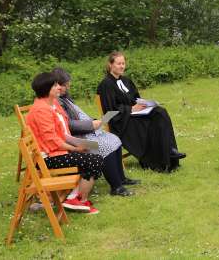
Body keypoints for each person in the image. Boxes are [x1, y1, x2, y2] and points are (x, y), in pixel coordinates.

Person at [52, 68, 139, 197]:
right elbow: (67, 124)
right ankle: (116, 186)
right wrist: (91, 125)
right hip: (77, 137)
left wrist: (94, 122)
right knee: (104, 145)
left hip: (86, 131)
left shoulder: (64, 98)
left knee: (114, 139)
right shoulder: (56, 101)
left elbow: (77, 116)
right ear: (56, 84)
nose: (67, 87)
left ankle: (121, 178)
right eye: (65, 85)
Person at [96, 52, 186, 173]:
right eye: (118, 63)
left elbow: (135, 98)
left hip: (134, 115)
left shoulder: (126, 81)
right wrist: (131, 109)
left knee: (160, 112)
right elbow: (110, 111)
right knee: (152, 122)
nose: (122, 66)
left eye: (123, 63)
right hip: (121, 122)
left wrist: (144, 104)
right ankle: (159, 159)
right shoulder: (106, 84)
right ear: (110, 65)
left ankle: (170, 150)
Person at [26, 72, 102, 214]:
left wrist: (78, 144)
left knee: (93, 153)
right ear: (47, 89)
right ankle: (79, 200)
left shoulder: (51, 104)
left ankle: (75, 197)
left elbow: (61, 132)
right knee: (93, 160)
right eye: (55, 85)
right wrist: (75, 148)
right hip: (48, 157)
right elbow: (52, 141)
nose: (59, 87)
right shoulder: (41, 110)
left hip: (56, 151)